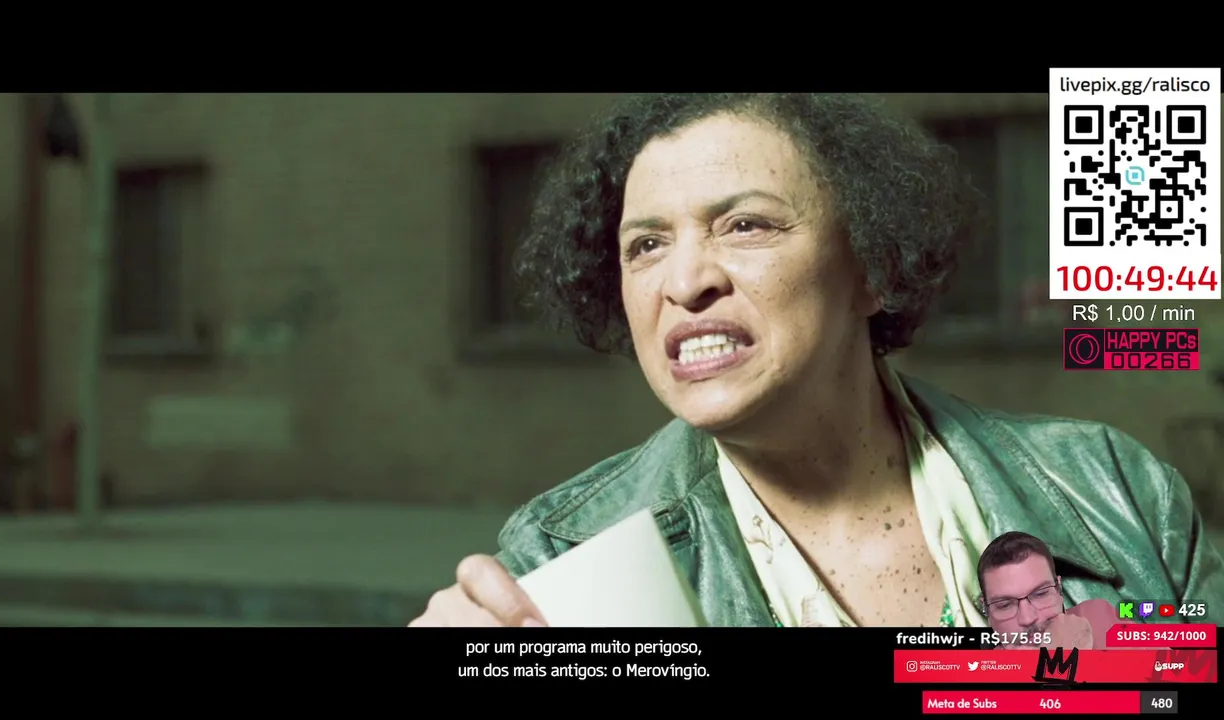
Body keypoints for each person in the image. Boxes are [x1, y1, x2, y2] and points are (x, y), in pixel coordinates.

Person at [409, 93, 1224, 628]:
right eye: (646, 244)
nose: (685, 282)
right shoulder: (560, 560)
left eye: (746, 226)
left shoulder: (1116, 491)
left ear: (871, 267)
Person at [977, 531, 1119, 649]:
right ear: (986, 610)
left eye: (1040, 594)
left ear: (1059, 589)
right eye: (1005, 605)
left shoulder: (1101, 617)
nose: (1028, 618)